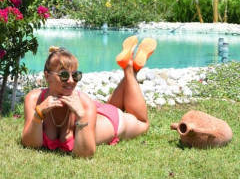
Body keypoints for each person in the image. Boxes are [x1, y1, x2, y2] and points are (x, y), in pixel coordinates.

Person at [22, 37, 157, 158]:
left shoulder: (85, 105)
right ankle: (131, 68)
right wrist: (38, 114)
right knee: (110, 105)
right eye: (64, 75)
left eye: (75, 75)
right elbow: (29, 144)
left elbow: (85, 153)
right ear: (47, 76)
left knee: (143, 123)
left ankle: (129, 69)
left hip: (112, 120)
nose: (71, 81)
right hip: (97, 111)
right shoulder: (34, 99)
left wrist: (81, 116)